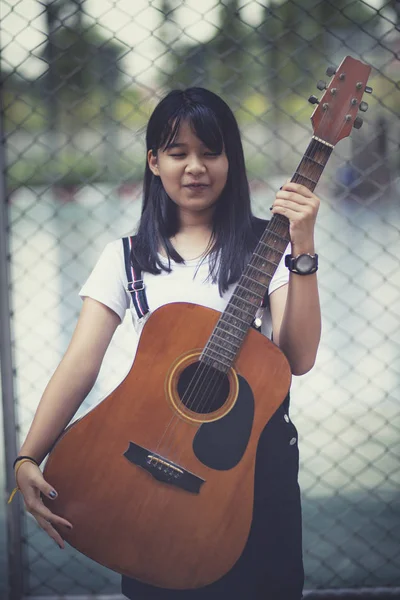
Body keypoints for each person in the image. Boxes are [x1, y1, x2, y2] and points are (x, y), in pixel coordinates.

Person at [12, 87, 321, 599]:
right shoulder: (126, 258)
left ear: (231, 160)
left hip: (249, 466)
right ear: (154, 161)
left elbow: (300, 358)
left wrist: (303, 249)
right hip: (146, 466)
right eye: (178, 153)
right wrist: (27, 457)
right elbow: (79, 365)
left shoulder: (268, 246)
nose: (194, 167)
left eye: (210, 152)